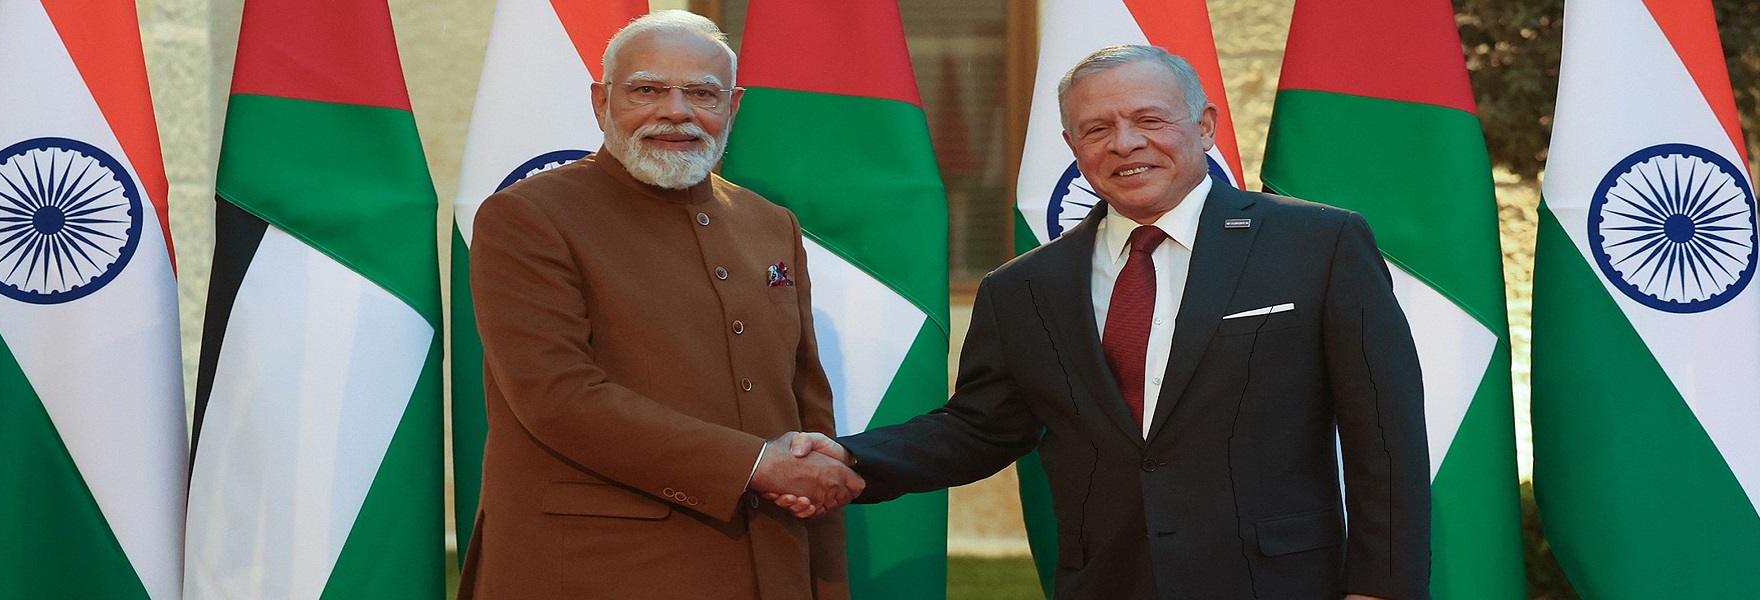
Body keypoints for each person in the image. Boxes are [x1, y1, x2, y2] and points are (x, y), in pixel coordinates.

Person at [781, 45, 1431, 600]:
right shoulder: (1023, 288)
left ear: (1204, 126)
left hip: (1283, 582)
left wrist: (1380, 586)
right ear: (1072, 146)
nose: (1125, 143)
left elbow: (1386, 437)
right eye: (1097, 128)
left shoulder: (1318, 244)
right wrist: (850, 457)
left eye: (1150, 119)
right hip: (1107, 580)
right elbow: (980, 428)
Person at [459, 10, 857, 600]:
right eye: (647, 90)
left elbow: (801, 394)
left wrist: (810, 483)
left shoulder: (769, 223)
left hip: (767, 558)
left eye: (702, 93)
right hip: (597, 567)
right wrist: (756, 465)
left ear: (734, 107)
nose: (677, 111)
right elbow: (558, 397)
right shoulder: (527, 218)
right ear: (601, 101)